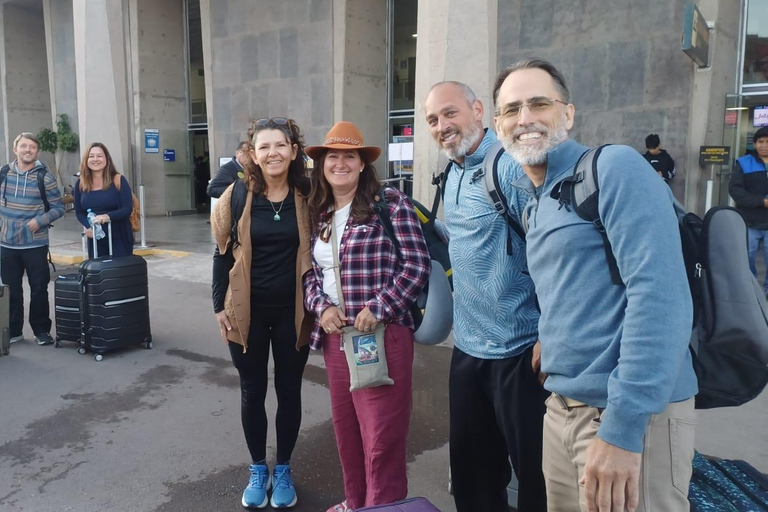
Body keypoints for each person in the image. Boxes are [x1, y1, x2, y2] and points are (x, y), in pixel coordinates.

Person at [493, 58, 698, 512]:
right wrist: (551, 336)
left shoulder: (616, 167)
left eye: (539, 104)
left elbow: (660, 298)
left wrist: (623, 427)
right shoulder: (538, 201)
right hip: (562, 409)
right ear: (497, 125)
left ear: (567, 114)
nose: (524, 119)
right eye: (511, 110)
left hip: (627, 416)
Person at [423, 82, 547, 512]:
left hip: (521, 353)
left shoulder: (512, 167)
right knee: (475, 482)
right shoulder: (451, 171)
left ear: (478, 110)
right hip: (469, 349)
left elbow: (554, 255)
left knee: (538, 481)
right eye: (433, 120)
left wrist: (550, 335)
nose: (442, 126)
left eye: (450, 114)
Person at [302, 121, 430, 512]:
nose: (340, 163)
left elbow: (416, 265)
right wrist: (320, 307)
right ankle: (356, 502)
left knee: (381, 438)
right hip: (337, 341)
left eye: (349, 156)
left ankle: (383, 507)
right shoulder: (319, 212)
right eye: (332, 156)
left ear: (362, 163)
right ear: (321, 164)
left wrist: (380, 306)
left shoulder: (389, 204)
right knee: (348, 430)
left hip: (382, 337)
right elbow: (310, 274)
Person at [211, 117, 314, 509]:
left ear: (293, 150)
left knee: (289, 391)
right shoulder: (235, 196)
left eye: (280, 145)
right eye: (264, 146)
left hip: (293, 313)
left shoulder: (307, 195)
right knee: (252, 391)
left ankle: (283, 467)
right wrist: (218, 306)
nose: (273, 153)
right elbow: (221, 254)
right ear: (252, 154)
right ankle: (258, 468)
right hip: (246, 312)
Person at [0, 132, 64, 346]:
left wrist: (41, 220)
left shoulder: (44, 176)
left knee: (39, 289)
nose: (28, 150)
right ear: (15, 149)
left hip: (35, 244)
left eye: (32, 147)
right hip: (6, 244)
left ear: (37, 151)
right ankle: (14, 330)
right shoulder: (3, 173)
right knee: (11, 290)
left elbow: (58, 207)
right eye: (23, 146)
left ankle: (41, 331)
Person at [74, 143, 135, 258]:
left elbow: (127, 209)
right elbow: (79, 212)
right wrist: (90, 226)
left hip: (119, 237)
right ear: (86, 160)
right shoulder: (80, 183)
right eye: (91, 156)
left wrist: (107, 216)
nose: (95, 159)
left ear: (107, 159)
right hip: (95, 238)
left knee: (118, 273)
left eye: (99, 156)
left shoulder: (118, 180)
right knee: (99, 273)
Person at [729, 126, 768, 298]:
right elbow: (735, 190)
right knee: (748, 259)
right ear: (754, 144)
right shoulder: (743, 163)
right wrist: (761, 201)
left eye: (767, 142)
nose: (764, 145)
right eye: (760, 142)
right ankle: (751, 291)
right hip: (750, 222)